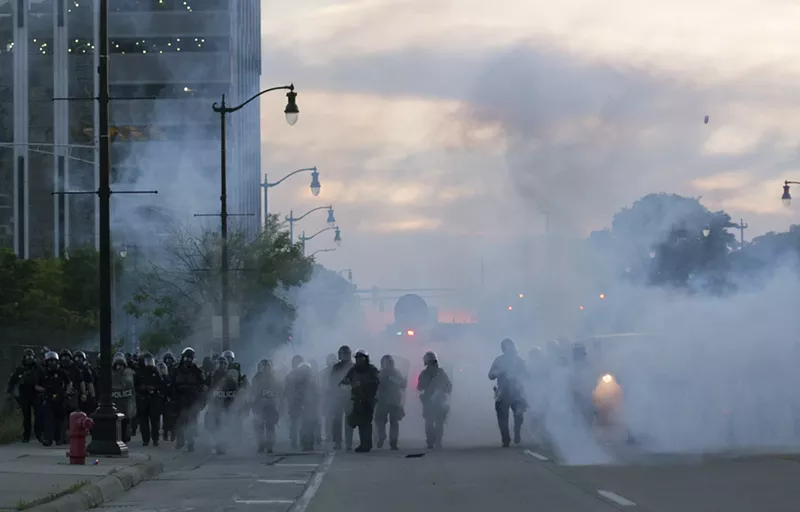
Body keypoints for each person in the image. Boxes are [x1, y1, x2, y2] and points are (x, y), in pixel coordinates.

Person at [489, 338, 529, 447]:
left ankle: (517, 433)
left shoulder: (519, 361)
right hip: (503, 392)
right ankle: (505, 438)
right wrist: (499, 372)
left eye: (512, 347)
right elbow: (490, 375)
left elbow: (527, 375)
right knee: (502, 418)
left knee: (519, 414)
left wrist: (519, 378)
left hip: (517, 392)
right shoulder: (498, 361)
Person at [341, 349, 380, 453]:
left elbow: (376, 381)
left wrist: (363, 384)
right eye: (358, 358)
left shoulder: (372, 369)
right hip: (356, 399)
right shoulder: (354, 369)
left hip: (368, 399)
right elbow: (345, 380)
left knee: (366, 423)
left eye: (361, 358)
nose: (359, 360)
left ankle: (366, 444)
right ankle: (363, 444)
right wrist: (345, 384)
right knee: (356, 421)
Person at [6, 349, 42, 443]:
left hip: (36, 394)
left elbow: (44, 377)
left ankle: (38, 434)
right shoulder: (20, 368)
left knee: (38, 415)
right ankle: (26, 435)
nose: (29, 358)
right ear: (24, 358)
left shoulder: (38, 368)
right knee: (27, 416)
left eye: (31, 356)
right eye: (27, 356)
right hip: (24, 395)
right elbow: (13, 380)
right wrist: (9, 391)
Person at [36, 351, 72, 446]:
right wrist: (44, 390)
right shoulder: (43, 373)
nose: (52, 363)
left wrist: (67, 392)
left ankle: (58, 439)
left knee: (59, 420)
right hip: (48, 398)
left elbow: (69, 382)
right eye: (50, 361)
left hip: (60, 399)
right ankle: (48, 439)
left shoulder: (61, 372)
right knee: (48, 419)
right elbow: (36, 386)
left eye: (54, 361)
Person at [173, 347, 205, 452]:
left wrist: (200, 400)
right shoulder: (177, 369)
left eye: (190, 358)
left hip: (192, 400)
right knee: (179, 422)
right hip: (180, 400)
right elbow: (172, 384)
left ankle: (191, 443)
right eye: (186, 358)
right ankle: (180, 441)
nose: (188, 360)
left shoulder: (197, 371)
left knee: (191, 423)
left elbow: (202, 386)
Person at [417, 351, 451, 449]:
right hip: (429, 401)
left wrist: (441, 390)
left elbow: (448, 386)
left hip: (438, 401)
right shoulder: (427, 374)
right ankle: (433, 441)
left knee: (436, 422)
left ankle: (435, 441)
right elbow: (419, 387)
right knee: (431, 422)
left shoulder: (439, 373)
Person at [374, 355, 407, 450]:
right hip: (385, 400)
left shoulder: (393, 373)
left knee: (391, 422)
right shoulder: (382, 374)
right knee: (382, 421)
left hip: (391, 401)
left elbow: (401, 385)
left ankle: (392, 440)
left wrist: (403, 382)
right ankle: (384, 437)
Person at [207, 356, 239, 454]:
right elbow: (206, 387)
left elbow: (235, 389)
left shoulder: (230, 377)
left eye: (224, 364)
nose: (222, 366)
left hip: (226, 404)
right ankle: (217, 442)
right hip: (215, 404)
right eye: (220, 364)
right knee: (211, 424)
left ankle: (223, 443)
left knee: (226, 424)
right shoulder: (212, 376)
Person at [251, 359, 282, 453]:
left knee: (270, 425)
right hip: (259, 405)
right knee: (259, 425)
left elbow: (279, 391)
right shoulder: (256, 378)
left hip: (271, 405)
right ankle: (261, 444)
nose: (265, 369)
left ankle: (270, 445)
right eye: (263, 367)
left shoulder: (274, 377)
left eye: (267, 366)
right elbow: (253, 391)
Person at [327, 346, 355, 450]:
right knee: (337, 421)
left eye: (346, 354)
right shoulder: (336, 367)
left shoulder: (353, 367)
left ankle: (349, 442)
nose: (345, 356)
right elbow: (332, 382)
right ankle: (337, 442)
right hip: (338, 397)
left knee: (349, 421)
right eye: (343, 354)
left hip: (349, 397)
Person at [135, 353, 164, 446]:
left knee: (155, 420)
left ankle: (155, 439)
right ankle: (145, 439)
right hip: (142, 399)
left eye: (150, 361)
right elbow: (134, 386)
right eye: (147, 361)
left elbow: (161, 384)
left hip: (154, 398)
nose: (149, 363)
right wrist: (142, 388)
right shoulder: (139, 372)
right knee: (143, 421)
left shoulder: (155, 371)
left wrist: (154, 388)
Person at [111, 352, 136, 443]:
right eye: (117, 365)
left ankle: (124, 438)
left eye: (121, 365)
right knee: (115, 421)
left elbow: (134, 386)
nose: (119, 367)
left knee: (126, 421)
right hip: (116, 401)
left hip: (126, 401)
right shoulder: (111, 375)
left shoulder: (130, 373)